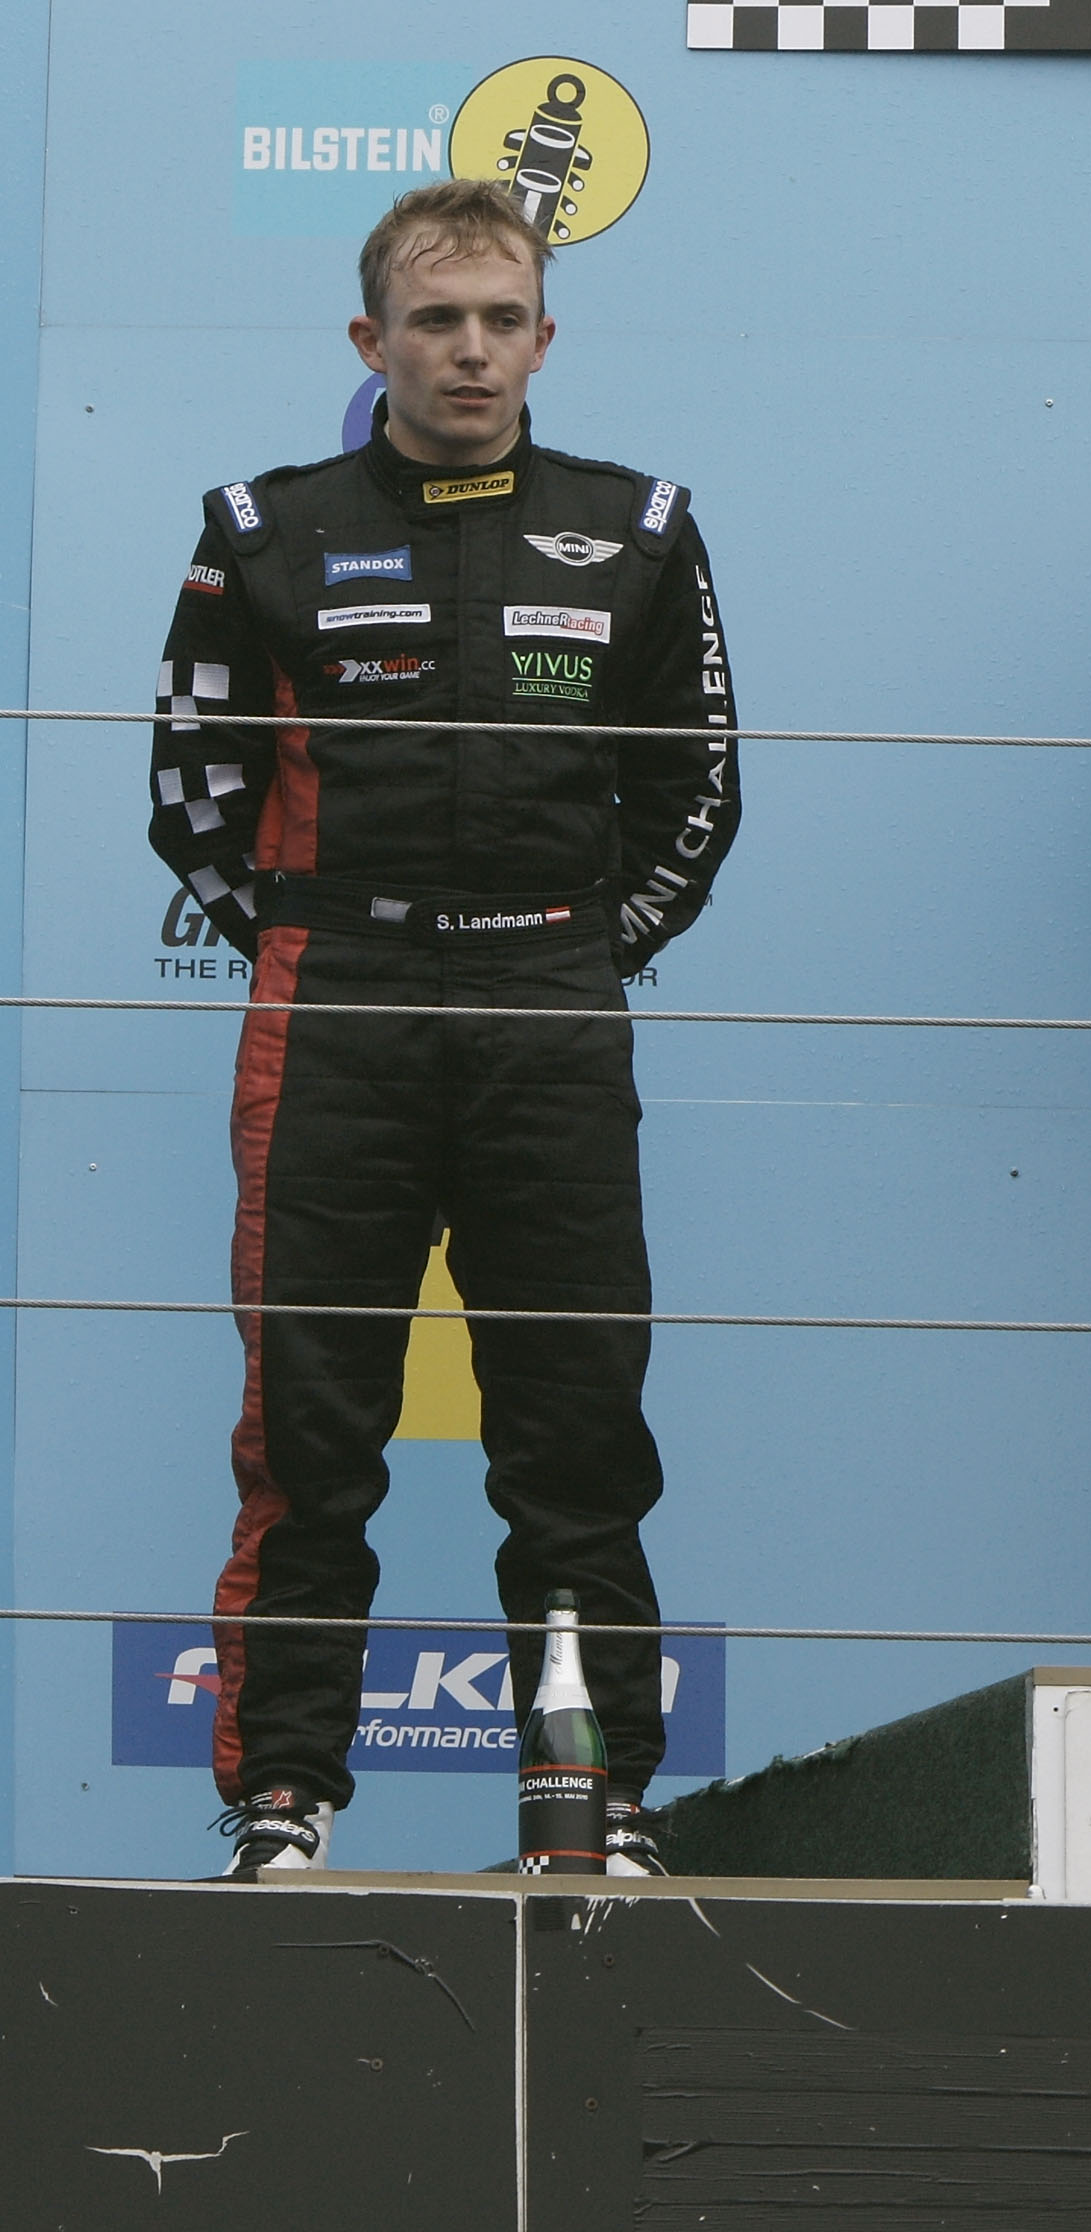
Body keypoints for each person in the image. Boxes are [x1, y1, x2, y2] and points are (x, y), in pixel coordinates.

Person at [150, 180, 742, 1879]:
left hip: (549, 1005)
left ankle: (597, 1799)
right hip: (336, 1006)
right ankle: (283, 1798)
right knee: (309, 1427)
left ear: (546, 338)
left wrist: (579, 948)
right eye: (435, 321)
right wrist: (313, 940)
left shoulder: (639, 527)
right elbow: (193, 793)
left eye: (499, 320)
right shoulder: (262, 527)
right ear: (373, 341)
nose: (469, 351)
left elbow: (697, 791)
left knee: (577, 1428)